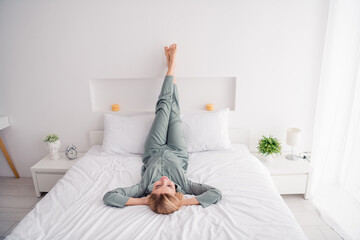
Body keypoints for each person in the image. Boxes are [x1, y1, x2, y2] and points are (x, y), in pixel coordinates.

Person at [103, 44, 222, 214]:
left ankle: (171, 67)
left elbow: (110, 196)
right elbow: (215, 193)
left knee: (164, 108)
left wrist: (141, 201)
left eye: (158, 186)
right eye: (168, 186)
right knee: (173, 111)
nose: (164, 180)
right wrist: (183, 203)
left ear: (151, 192)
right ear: (176, 192)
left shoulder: (143, 187)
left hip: (154, 149)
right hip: (177, 150)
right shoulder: (185, 185)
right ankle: (171, 68)